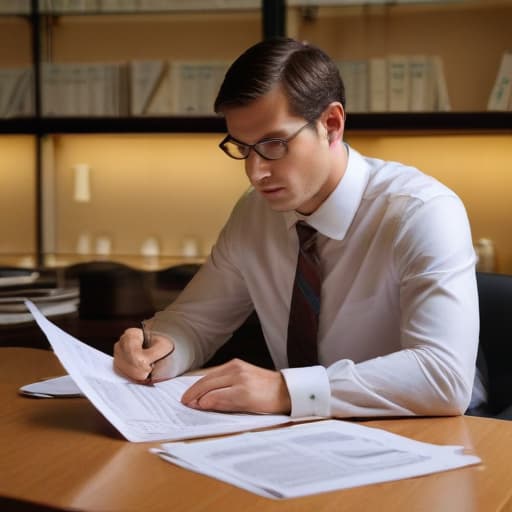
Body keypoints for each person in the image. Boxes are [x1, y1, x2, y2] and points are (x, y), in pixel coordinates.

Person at [114, 38, 480, 419]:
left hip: (435, 433)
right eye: (242, 147)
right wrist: (161, 349)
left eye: (273, 144)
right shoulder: (255, 213)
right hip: (306, 436)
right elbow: (197, 320)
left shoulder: (422, 212)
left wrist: (286, 389)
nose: (255, 172)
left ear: (332, 124)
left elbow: (444, 377)